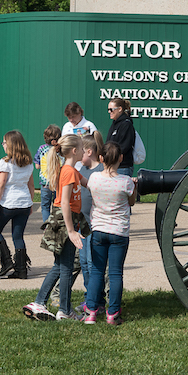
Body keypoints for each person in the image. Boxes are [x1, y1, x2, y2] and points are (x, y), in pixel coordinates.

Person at [23, 135, 89, 321]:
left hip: (66, 219)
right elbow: (65, 204)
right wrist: (71, 231)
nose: (84, 151)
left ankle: (39, 302)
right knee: (66, 267)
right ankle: (65, 311)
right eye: (82, 148)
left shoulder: (73, 171)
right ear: (74, 151)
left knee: (60, 266)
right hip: (63, 221)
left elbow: (90, 185)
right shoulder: (68, 171)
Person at [81, 141, 137, 325]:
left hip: (98, 230)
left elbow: (90, 189)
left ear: (101, 158)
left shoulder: (95, 178)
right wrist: (134, 187)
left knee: (96, 271)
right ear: (121, 158)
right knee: (115, 274)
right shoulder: (126, 182)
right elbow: (132, 202)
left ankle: (90, 311)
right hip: (119, 232)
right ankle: (112, 313)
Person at [0, 130, 35, 279]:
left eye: (4, 142)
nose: (2, 145)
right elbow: (31, 185)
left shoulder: (5, 162)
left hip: (9, 203)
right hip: (24, 204)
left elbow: (1, 184)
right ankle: (21, 269)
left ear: (10, 145)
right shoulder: (28, 162)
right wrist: (31, 203)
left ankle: (7, 261)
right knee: (18, 236)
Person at [75, 132, 107, 316]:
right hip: (82, 225)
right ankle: (90, 297)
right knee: (85, 263)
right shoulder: (82, 171)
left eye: (80, 151)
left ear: (89, 151)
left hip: (95, 226)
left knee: (92, 263)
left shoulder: (101, 171)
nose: (79, 155)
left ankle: (97, 301)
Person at [34, 124, 61, 222]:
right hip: (58, 182)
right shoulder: (60, 149)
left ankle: (47, 226)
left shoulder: (41, 149)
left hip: (45, 182)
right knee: (57, 205)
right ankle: (56, 225)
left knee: (45, 206)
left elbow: (37, 166)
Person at [106, 98, 136, 176]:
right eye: (108, 109)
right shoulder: (114, 124)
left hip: (122, 167)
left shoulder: (126, 124)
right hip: (112, 165)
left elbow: (124, 146)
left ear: (120, 109)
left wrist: (112, 156)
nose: (109, 112)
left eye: (111, 109)